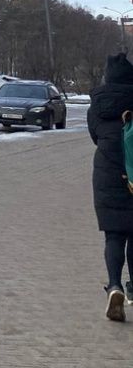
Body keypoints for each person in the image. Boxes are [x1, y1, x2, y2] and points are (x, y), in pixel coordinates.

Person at [87, 52, 133, 321]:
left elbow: (95, 135)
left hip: (107, 176)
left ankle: (114, 285)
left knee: (114, 236)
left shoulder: (99, 105)